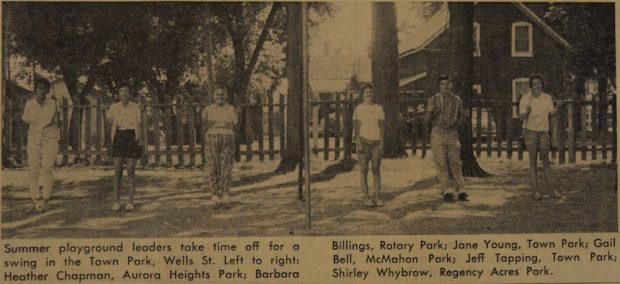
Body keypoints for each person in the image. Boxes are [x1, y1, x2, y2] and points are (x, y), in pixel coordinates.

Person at [423, 75, 469, 202]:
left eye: (448, 84)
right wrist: (429, 111)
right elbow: (426, 121)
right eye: (443, 84)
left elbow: (461, 118)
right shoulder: (434, 99)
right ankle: (446, 189)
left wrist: (464, 117)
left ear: (451, 85)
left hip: (452, 133)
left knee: (455, 161)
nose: (446, 87)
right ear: (439, 86)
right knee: (441, 161)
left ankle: (460, 189)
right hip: (438, 132)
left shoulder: (457, 100)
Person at [519, 74, 563, 200]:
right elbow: (521, 118)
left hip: (544, 132)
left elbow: (552, 113)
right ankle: (535, 191)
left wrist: (558, 106)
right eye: (534, 84)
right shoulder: (526, 99)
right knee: (533, 162)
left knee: (546, 162)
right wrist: (527, 111)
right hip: (530, 132)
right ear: (531, 86)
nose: (537, 86)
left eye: (539, 83)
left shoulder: (547, 98)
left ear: (542, 85)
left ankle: (552, 191)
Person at [22, 77, 60, 212]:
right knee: (33, 168)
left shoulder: (52, 104)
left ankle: (45, 199)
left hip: (50, 137)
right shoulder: (29, 105)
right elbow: (27, 121)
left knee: (47, 167)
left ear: (47, 91)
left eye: (44, 88)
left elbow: (49, 120)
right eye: (39, 88)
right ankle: (34, 199)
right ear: (35, 90)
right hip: (34, 138)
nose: (41, 91)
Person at [106, 85, 142, 211]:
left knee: (131, 169)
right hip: (119, 136)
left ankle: (130, 201)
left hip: (131, 136)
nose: (124, 93)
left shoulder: (136, 107)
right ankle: (116, 201)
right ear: (119, 93)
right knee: (117, 170)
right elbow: (109, 122)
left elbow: (140, 124)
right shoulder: (114, 107)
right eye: (122, 91)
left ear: (130, 93)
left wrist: (140, 140)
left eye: (127, 91)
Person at [201, 87, 238, 209]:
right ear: (213, 96)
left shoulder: (231, 109)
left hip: (228, 139)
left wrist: (216, 123)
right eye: (217, 95)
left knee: (226, 168)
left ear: (225, 96)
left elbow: (233, 123)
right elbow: (204, 124)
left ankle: (225, 195)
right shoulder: (207, 109)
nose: (219, 97)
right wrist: (221, 123)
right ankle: (215, 195)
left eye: (222, 95)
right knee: (214, 167)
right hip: (211, 139)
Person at [353, 83, 385, 207]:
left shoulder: (378, 108)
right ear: (362, 94)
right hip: (363, 141)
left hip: (376, 142)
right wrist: (358, 142)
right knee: (364, 169)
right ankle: (366, 197)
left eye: (370, 92)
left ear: (373, 93)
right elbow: (356, 128)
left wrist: (382, 142)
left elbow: (382, 127)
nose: (368, 94)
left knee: (376, 169)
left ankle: (377, 197)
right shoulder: (359, 109)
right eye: (366, 92)